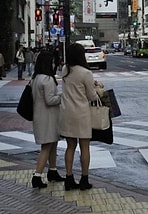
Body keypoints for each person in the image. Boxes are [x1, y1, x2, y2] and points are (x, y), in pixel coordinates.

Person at [59, 43, 104, 191]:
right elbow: (91, 96)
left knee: (70, 146)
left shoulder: (65, 70)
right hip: (81, 114)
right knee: (85, 147)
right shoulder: (85, 73)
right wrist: (98, 89)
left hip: (66, 113)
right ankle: (84, 179)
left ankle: (69, 178)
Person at [31, 50, 64, 188]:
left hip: (39, 116)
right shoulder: (48, 79)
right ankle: (37, 175)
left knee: (52, 144)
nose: (54, 64)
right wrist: (63, 96)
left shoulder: (35, 78)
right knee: (47, 146)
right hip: (48, 117)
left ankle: (53, 170)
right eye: (52, 62)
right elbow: (50, 100)